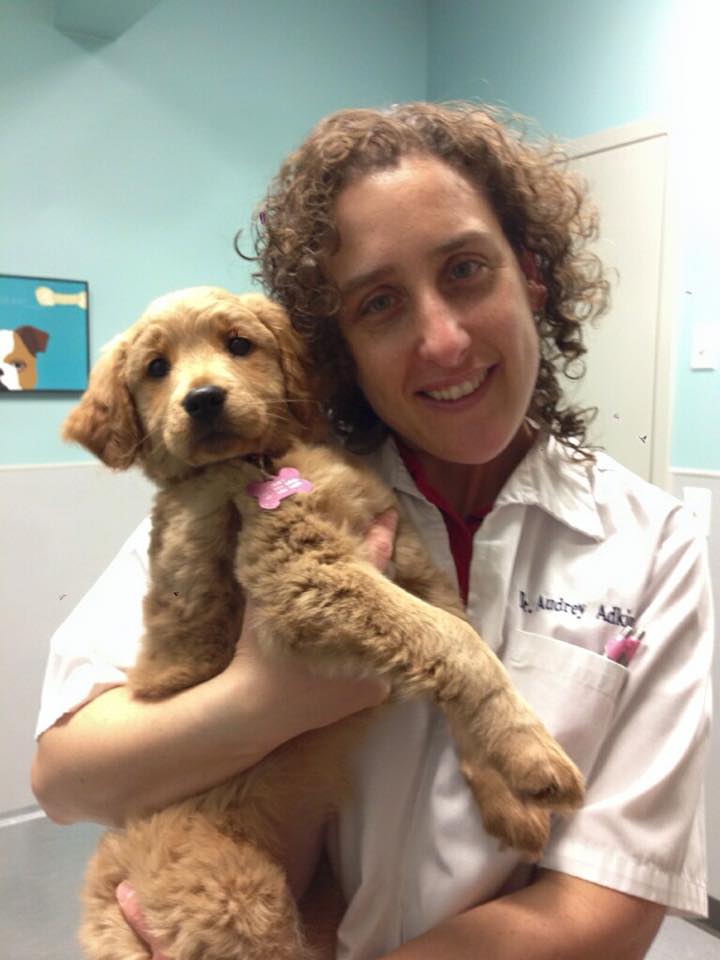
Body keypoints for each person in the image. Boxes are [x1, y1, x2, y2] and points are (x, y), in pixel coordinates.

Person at [32, 102, 712, 960]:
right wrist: (266, 696)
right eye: (380, 303)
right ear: (337, 343)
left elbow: (607, 910)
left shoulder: (655, 544)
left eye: (466, 269)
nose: (442, 340)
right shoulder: (260, 489)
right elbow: (62, 778)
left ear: (531, 274)